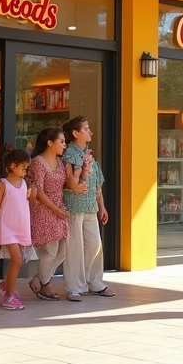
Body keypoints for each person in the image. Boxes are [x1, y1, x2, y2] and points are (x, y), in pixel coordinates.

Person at [62, 116, 115, 301]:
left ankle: (94, 281)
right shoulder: (69, 154)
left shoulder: (89, 155)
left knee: (95, 244)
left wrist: (102, 206)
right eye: (86, 128)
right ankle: (74, 287)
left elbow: (97, 183)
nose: (90, 131)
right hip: (74, 206)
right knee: (74, 247)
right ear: (76, 133)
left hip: (91, 205)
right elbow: (68, 181)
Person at [0, 149, 35, 310]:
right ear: (12, 166)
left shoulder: (25, 183)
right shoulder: (2, 184)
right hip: (8, 228)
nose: (25, 171)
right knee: (17, 260)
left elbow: (27, 204)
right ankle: (9, 296)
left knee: (18, 261)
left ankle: (6, 287)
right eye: (23, 168)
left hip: (22, 227)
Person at [26, 127, 70, 301]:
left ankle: (39, 280)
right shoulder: (38, 162)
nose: (64, 145)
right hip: (44, 209)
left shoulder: (60, 162)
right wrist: (57, 210)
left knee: (63, 251)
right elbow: (39, 191)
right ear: (50, 143)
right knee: (50, 251)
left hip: (59, 208)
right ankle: (45, 285)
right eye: (62, 141)